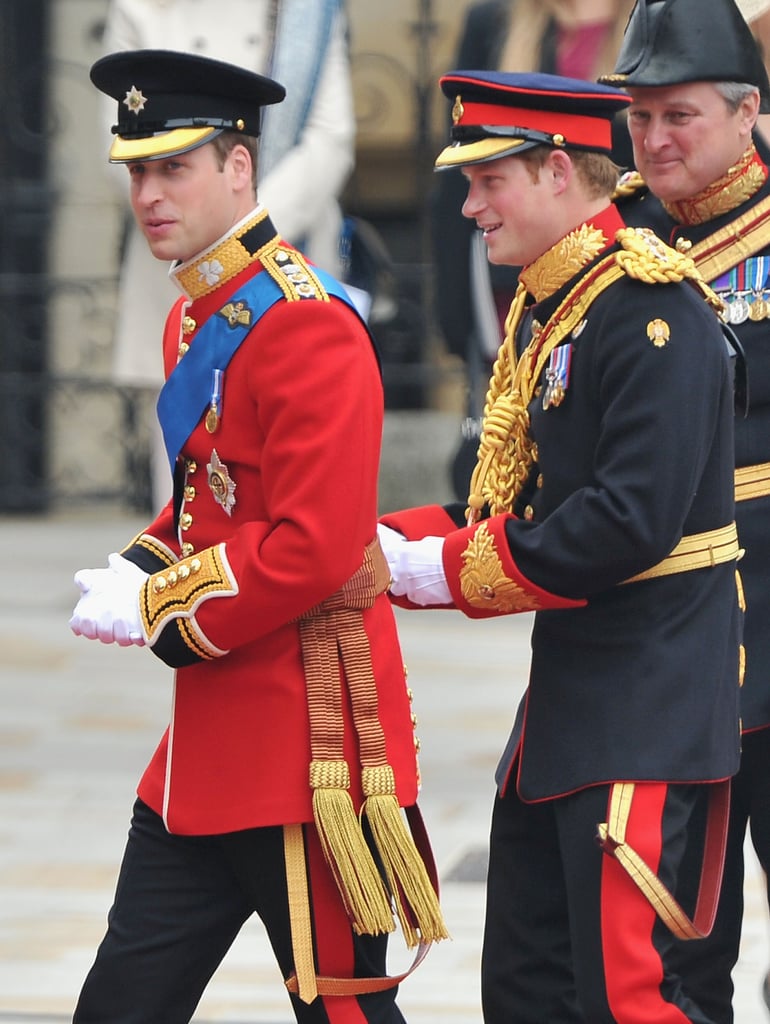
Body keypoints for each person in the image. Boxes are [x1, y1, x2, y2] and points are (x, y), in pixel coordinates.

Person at [68, 48, 446, 1024]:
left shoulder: (306, 326)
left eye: (173, 167)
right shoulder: (201, 313)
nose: (148, 193)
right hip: (204, 755)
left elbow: (312, 547)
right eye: (137, 171)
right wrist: (140, 558)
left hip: (304, 751)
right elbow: (212, 495)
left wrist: (157, 605)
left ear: (239, 167)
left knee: (348, 1015)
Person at [378, 68, 743, 1022]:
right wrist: (376, 546)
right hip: (571, 717)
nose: (469, 207)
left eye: (488, 181)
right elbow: (509, 499)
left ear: (553, 172)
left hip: (648, 714)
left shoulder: (648, 308)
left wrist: (441, 572)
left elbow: (625, 521)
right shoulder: (557, 302)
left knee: (638, 999)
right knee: (531, 993)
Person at [599, 0, 770, 1019]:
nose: (656, 140)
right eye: (639, 116)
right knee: (672, 941)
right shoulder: (615, 238)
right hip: (670, 653)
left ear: (748, 112)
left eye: (681, 116)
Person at [101, 0, 356, 510]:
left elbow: (331, 139)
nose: (148, 187)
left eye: (172, 168)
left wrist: (238, 230)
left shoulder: (304, 10)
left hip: (280, 246)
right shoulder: (139, 8)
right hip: (176, 277)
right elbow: (118, 151)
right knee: (183, 494)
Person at [430, 0, 635, 498]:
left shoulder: (642, 21)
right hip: (511, 275)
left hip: (613, 260)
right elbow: (461, 184)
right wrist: (457, 318)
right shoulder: (496, 20)